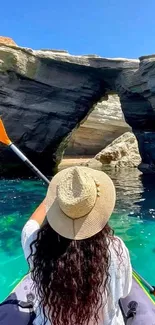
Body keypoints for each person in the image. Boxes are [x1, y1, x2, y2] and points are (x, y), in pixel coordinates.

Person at [21, 166, 132, 325]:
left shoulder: (35, 244)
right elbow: (125, 291)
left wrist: (51, 199)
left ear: (56, 207)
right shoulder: (116, 249)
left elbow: (30, 225)